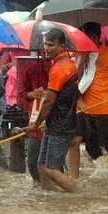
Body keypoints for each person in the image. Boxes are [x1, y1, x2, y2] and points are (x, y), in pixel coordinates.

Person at [25, 29, 78, 193]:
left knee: (52, 169)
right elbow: (59, 94)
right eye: (45, 44)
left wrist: (35, 124)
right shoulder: (65, 63)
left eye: (51, 45)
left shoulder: (60, 68)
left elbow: (49, 102)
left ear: (61, 46)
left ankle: (80, 197)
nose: (46, 48)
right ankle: (49, 202)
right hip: (58, 121)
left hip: (60, 124)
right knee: (41, 166)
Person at [69, 22, 108, 179]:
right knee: (77, 141)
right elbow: (72, 78)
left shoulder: (105, 54)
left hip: (103, 109)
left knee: (104, 145)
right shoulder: (81, 55)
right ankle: (75, 178)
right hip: (83, 107)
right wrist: (81, 56)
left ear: (93, 37)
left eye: (84, 37)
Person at [17, 57, 50, 185]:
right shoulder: (28, 66)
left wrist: (49, 94)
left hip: (53, 119)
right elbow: (21, 95)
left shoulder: (61, 68)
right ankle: (39, 185)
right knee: (32, 163)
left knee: (52, 164)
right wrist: (33, 94)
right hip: (34, 118)